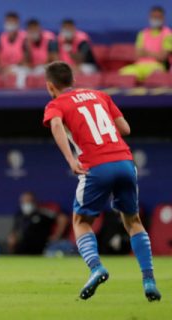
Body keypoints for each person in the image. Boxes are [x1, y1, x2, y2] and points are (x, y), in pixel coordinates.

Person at [42, 61, 161, 301]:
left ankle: (96, 267)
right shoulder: (100, 95)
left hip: (96, 165)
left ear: (50, 86)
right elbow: (125, 128)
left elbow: (55, 124)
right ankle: (148, 280)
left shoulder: (56, 103)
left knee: (81, 221)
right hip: (126, 162)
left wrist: (70, 158)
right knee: (133, 220)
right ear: (73, 81)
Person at [120, 6, 172, 82]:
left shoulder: (168, 34)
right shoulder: (142, 33)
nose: (155, 19)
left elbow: (163, 57)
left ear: (163, 18)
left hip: (157, 66)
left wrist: (146, 52)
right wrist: (154, 54)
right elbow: (137, 54)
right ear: (149, 17)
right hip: (139, 65)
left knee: (156, 75)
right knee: (123, 74)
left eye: (158, 17)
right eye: (153, 17)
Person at [14, 19, 57, 88]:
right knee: (21, 71)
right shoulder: (26, 40)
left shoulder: (49, 39)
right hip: (33, 67)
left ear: (40, 29)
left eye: (35, 29)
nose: (33, 32)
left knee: (43, 71)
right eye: (31, 30)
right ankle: (20, 92)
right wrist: (28, 47)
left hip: (46, 66)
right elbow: (26, 60)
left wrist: (41, 65)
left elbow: (53, 58)